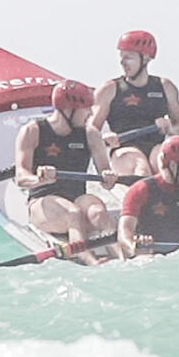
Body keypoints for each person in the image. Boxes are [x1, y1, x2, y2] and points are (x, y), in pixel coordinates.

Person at [14, 79, 118, 263]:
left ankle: (123, 257)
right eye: (86, 108)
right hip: (42, 203)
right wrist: (40, 179)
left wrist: (108, 177)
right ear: (68, 109)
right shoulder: (32, 131)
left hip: (77, 197)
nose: (90, 113)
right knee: (73, 213)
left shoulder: (91, 134)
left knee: (98, 212)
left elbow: (106, 180)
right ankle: (90, 260)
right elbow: (21, 177)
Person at [90, 30, 179, 178]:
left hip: (155, 145)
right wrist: (105, 137)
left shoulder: (165, 87)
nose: (123, 62)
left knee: (169, 167)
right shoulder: (109, 89)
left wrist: (169, 128)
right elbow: (91, 130)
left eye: (128, 57)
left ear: (146, 59)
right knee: (141, 169)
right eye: (121, 57)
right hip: (124, 148)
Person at [117, 136, 179, 258]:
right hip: (145, 258)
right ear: (173, 166)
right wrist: (134, 247)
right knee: (146, 257)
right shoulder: (140, 190)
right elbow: (124, 233)